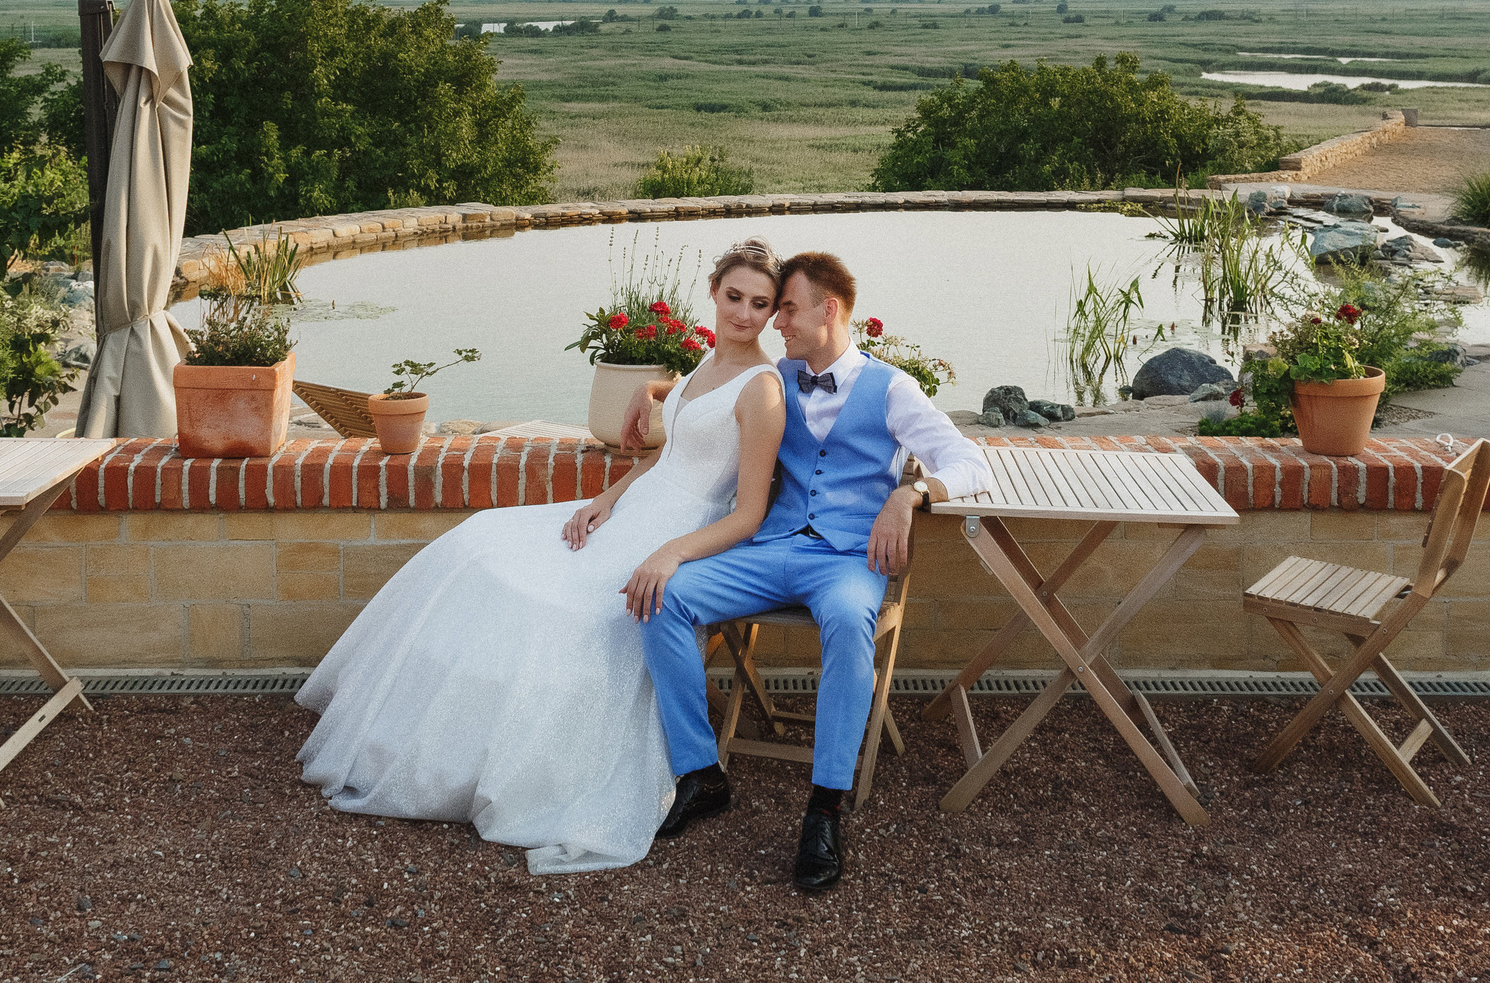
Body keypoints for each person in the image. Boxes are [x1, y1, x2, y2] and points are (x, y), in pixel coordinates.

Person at [292, 240, 789, 874]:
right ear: (714, 293)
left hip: (681, 534)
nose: (743, 314)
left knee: (560, 606)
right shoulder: (704, 364)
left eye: (760, 304)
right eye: (733, 297)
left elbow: (747, 514)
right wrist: (605, 499)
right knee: (481, 543)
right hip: (635, 513)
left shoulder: (763, 393)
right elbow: (664, 457)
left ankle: (514, 763)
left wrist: (670, 554)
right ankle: (440, 743)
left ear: (774, 313)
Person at [632, 249, 994, 892]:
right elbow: (709, 388)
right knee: (664, 595)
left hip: (848, 560)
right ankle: (699, 772)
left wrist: (910, 495)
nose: (776, 323)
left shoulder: (892, 389)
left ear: (829, 311)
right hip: (772, 550)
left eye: (788, 309)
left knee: (851, 623)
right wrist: (654, 387)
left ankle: (824, 809)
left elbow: (970, 461)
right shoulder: (779, 379)